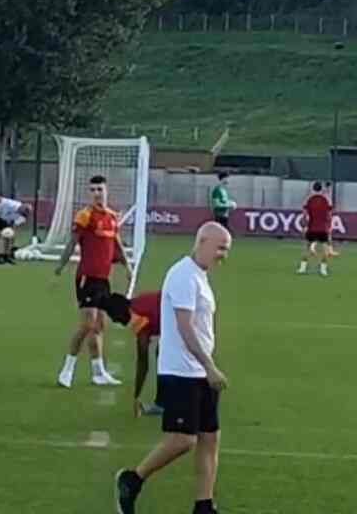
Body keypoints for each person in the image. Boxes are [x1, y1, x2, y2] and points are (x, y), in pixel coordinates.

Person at [115, 222, 231, 514]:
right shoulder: (183, 276)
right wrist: (210, 366)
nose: (222, 256)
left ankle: (204, 505)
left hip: (200, 371)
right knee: (183, 439)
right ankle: (132, 479)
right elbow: (184, 328)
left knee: (209, 437)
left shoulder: (200, 276)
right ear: (202, 241)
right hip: (182, 371)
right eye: (220, 248)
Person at [54, 175, 129, 388]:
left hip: (104, 279)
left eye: (100, 189)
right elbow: (72, 243)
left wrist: (128, 267)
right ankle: (67, 370)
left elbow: (117, 245)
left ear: (107, 191)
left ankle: (98, 372)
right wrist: (60, 266)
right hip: (87, 277)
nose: (96, 193)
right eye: (93, 190)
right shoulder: (84, 216)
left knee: (99, 326)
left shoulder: (113, 217)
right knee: (87, 324)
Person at [98, 291, 165, 417]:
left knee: (165, 357)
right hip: (181, 313)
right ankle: (163, 402)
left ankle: (170, 403)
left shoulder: (137, 317)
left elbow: (143, 362)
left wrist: (136, 396)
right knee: (162, 354)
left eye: (114, 317)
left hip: (183, 319)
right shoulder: (137, 302)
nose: (115, 320)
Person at [298, 181, 334, 277]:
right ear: (321, 188)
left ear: (313, 188)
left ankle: (302, 268)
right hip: (322, 228)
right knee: (325, 249)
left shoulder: (308, 199)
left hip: (311, 227)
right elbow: (329, 215)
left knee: (307, 248)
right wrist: (328, 225)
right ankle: (323, 269)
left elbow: (304, 215)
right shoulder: (326, 199)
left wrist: (304, 226)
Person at [0, 196, 29, 264]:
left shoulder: (22, 218)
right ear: (22, 207)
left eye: (26, 212)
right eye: (24, 210)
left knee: (9, 236)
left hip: (4, 219)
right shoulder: (13, 204)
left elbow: (14, 225)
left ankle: (5, 255)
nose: (24, 212)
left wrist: (11, 230)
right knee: (3, 235)